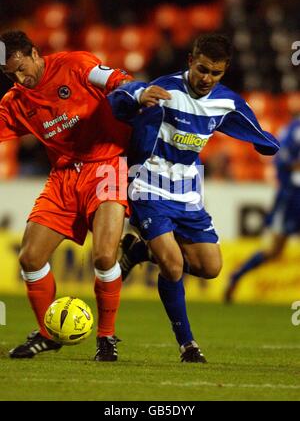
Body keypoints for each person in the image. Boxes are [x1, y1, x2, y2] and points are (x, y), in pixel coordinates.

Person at [107, 33, 280, 363]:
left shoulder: (226, 101)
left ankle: (138, 250)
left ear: (225, 70)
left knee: (210, 267)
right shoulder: (166, 89)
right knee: (172, 267)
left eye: (215, 73)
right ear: (190, 61)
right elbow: (118, 102)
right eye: (202, 69)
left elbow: (253, 129)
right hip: (148, 186)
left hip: (187, 192)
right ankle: (188, 345)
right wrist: (138, 94)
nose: (207, 78)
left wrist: (267, 144)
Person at [0, 30, 138, 361]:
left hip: (106, 167)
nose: (21, 79)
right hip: (63, 177)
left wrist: (133, 99)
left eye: (22, 68)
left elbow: (122, 82)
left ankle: (107, 338)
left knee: (104, 257)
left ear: (34, 53)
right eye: (10, 75)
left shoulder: (75, 65)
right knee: (30, 258)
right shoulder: (15, 102)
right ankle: (48, 334)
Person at [224, 115, 300, 303]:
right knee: (275, 250)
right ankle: (237, 275)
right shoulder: (295, 129)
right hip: (292, 196)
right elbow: (284, 160)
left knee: (275, 250)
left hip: (291, 195)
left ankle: (237, 275)